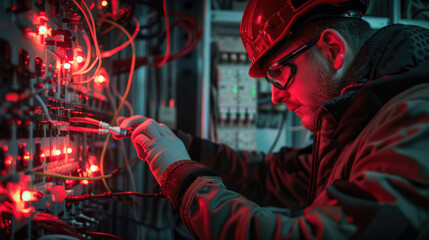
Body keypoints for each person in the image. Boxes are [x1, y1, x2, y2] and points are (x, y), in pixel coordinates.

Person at [115, 0, 429, 238]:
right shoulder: (359, 120)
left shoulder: (416, 118)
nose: (276, 96)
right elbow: (272, 176)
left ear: (332, 49)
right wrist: (184, 147)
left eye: (279, 73)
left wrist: (183, 180)